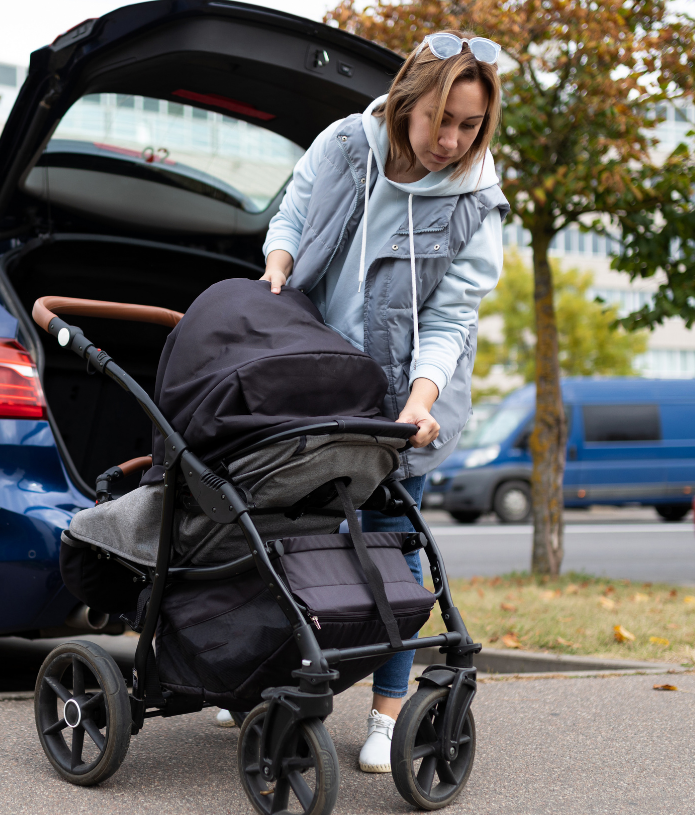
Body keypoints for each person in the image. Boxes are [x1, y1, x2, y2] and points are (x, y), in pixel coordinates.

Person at [215, 33, 508, 772]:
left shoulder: (476, 204)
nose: (450, 140)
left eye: (469, 125)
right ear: (407, 100)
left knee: (392, 544)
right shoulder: (346, 143)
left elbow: (450, 321)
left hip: (403, 396)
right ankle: (261, 678)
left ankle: (386, 719)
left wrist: (419, 400)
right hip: (309, 375)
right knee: (285, 537)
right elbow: (293, 212)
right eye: (439, 119)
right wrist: (279, 264)